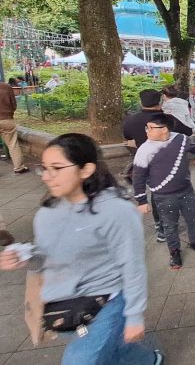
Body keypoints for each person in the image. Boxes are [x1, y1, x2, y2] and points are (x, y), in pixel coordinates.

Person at [0, 133, 163, 364]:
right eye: (43, 168)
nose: (46, 176)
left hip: (106, 302)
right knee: (113, 348)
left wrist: (134, 316)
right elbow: (46, 259)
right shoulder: (47, 213)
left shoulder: (116, 211)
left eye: (56, 168)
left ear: (86, 170)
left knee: (80, 359)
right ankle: (147, 359)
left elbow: (133, 266)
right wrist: (23, 258)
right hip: (63, 304)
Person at [132, 114, 195, 269]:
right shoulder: (144, 150)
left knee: (193, 218)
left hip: (186, 190)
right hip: (162, 196)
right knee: (169, 225)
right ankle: (174, 251)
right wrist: (141, 200)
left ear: (164, 129)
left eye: (150, 127)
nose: (146, 130)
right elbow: (138, 176)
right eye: (147, 127)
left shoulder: (180, 139)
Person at [123, 89, 192, 242]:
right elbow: (187, 131)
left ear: (141, 102)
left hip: (145, 162)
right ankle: (167, 225)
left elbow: (128, 136)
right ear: (160, 101)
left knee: (156, 192)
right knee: (166, 192)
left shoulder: (131, 120)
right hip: (169, 161)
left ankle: (160, 227)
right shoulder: (166, 119)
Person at [0, 78, 28, 173]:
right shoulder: (6, 86)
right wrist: (9, 113)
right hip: (6, 119)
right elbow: (13, 104)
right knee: (13, 144)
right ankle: (19, 167)